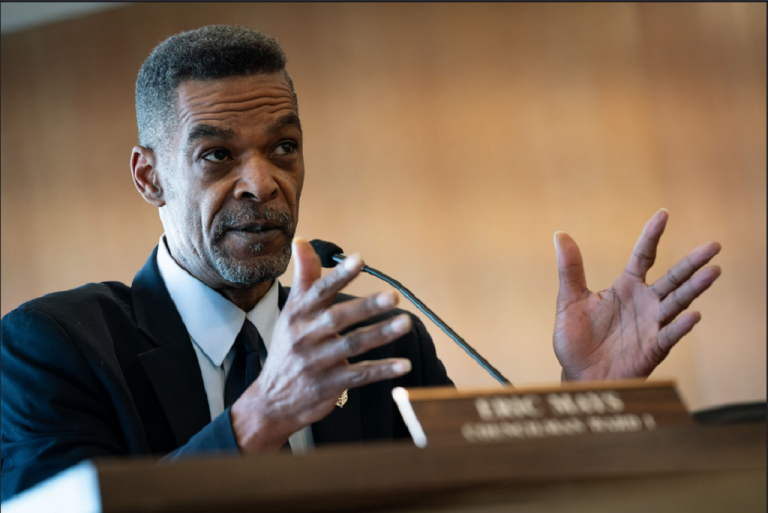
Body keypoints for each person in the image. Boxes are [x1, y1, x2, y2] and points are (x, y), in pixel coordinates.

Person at [0, 25, 721, 501]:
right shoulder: (53, 347)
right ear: (149, 176)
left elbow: (486, 499)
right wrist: (263, 413)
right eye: (218, 154)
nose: (262, 182)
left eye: (283, 146)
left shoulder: (380, 341)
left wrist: (582, 399)